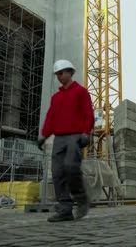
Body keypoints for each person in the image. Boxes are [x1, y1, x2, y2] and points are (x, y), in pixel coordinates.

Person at [37, 59, 95, 222]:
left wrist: (85, 132)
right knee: (57, 174)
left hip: (75, 135)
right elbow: (51, 118)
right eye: (57, 74)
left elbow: (88, 114)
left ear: (70, 72)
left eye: (61, 73)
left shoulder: (81, 92)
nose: (59, 76)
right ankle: (65, 209)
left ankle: (81, 197)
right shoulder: (56, 98)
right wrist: (44, 135)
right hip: (59, 138)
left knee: (70, 166)